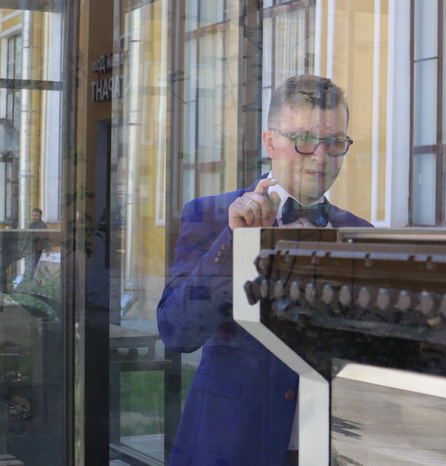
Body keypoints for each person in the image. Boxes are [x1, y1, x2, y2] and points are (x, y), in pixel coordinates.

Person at [158, 74, 372, 466]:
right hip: (231, 443)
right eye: (304, 140)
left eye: (335, 142)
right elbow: (177, 331)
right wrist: (234, 243)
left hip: (330, 448)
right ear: (270, 141)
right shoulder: (209, 216)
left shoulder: (359, 233)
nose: (321, 157)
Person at [28, 208, 48, 275]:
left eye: (36, 215)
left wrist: (48, 250)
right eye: (33, 215)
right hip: (29, 249)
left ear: (40, 216)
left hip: (37, 249)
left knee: (33, 266)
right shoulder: (30, 224)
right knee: (28, 268)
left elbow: (46, 238)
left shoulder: (42, 225)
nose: (34, 217)